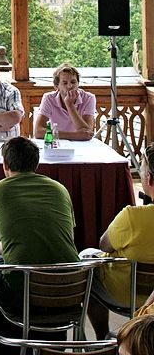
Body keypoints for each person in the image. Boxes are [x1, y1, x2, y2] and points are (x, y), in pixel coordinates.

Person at [0, 136, 79, 274]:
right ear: (36, 163)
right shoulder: (60, 189)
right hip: (72, 280)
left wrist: (7, 246)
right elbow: (66, 237)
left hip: (22, 284)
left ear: (5, 164)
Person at [83, 143, 154, 339]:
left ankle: (101, 335)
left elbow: (103, 245)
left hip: (123, 292)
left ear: (148, 179)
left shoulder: (133, 216)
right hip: (149, 298)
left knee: (87, 263)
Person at [35, 63, 95, 140]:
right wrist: (75, 135)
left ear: (78, 83)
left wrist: (69, 105)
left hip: (81, 144)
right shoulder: (49, 98)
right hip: (57, 142)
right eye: (65, 83)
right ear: (57, 86)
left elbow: (88, 133)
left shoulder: (89, 98)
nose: (70, 86)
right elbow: (38, 132)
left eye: (73, 82)